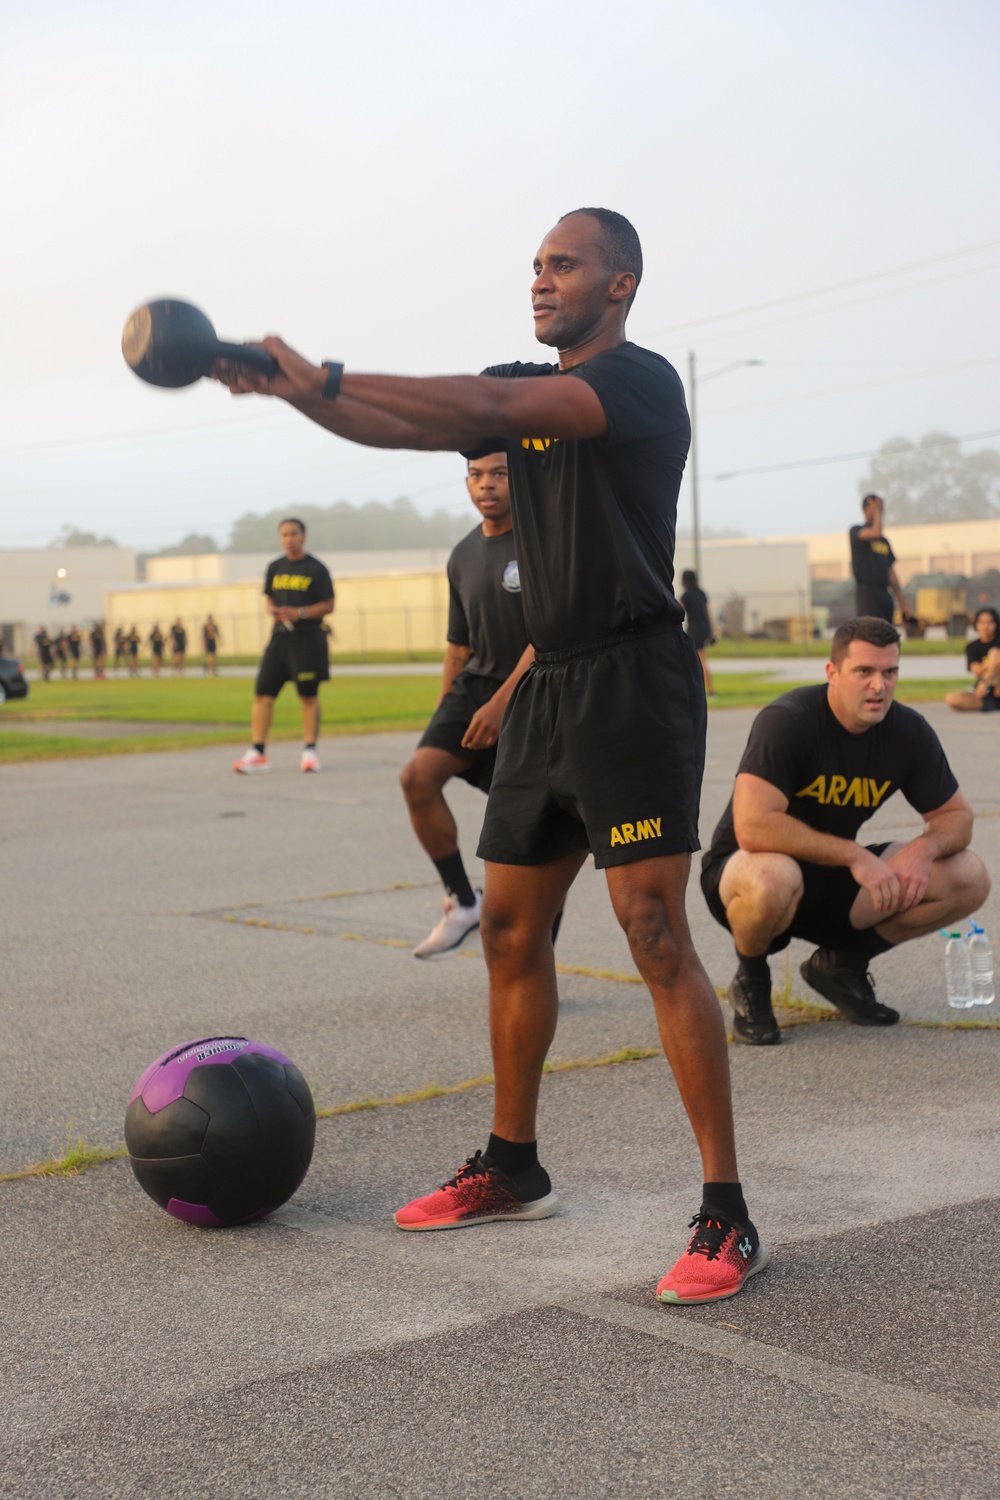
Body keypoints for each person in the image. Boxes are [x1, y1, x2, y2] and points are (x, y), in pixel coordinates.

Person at [214, 207, 763, 1305]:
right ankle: (512, 1167)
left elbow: (485, 404)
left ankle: (726, 1214)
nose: (541, 280)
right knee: (509, 931)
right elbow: (417, 424)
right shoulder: (523, 389)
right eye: (535, 266)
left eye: (563, 265)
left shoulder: (637, 383)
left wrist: (318, 367)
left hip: (632, 680)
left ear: (621, 285)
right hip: (547, 682)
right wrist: (297, 393)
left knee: (653, 931)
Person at [701, 616, 989, 1046]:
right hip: (747, 874)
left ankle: (840, 966)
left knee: (969, 876)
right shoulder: (789, 720)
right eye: (864, 672)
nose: (879, 686)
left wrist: (924, 849)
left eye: (890, 672)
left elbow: (958, 817)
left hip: (832, 879)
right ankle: (752, 978)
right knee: (775, 877)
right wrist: (857, 857)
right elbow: (753, 827)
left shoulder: (907, 733)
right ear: (832, 673)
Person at [400, 447, 535, 957]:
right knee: (417, 777)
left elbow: (549, 634)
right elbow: (458, 645)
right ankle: (462, 900)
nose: (486, 485)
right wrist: (444, 707)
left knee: (528, 839)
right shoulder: (461, 554)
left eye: (499, 473)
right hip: (474, 688)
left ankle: (534, 960)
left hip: (533, 695)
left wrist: (503, 705)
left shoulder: (542, 543)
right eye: (476, 475)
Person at [232, 519, 335, 774]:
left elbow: (329, 605)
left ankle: (310, 752)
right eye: (284, 534)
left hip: (308, 639)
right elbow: (270, 598)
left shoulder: (316, 568)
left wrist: (299, 612)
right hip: (279, 639)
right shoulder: (275, 567)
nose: (289, 538)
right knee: (263, 694)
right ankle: (258, 752)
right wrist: (273, 611)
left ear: (304, 536)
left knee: (308, 696)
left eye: (294, 533)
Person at [849, 494, 909, 623]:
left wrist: (903, 602)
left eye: (880, 510)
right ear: (865, 509)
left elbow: (891, 573)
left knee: (887, 632)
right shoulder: (856, 531)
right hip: (867, 593)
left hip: (884, 592)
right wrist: (876, 512)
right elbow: (876, 532)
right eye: (875, 509)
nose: (879, 513)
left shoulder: (884, 542)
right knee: (870, 630)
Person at [945, 607, 1000, 714]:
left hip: (994, 686)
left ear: (996, 624)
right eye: (982, 622)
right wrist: (991, 663)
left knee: (994, 653)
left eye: (990, 623)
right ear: (976, 624)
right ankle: (988, 704)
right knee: (951, 698)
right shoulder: (972, 647)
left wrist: (985, 681)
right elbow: (977, 671)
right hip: (983, 692)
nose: (986, 626)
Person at [679, 568, 716, 697]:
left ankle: (710, 691)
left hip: (694, 628)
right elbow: (707, 613)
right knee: (698, 659)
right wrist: (711, 630)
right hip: (704, 627)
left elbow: (678, 610)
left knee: (700, 660)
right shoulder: (701, 593)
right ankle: (706, 690)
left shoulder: (686, 595)